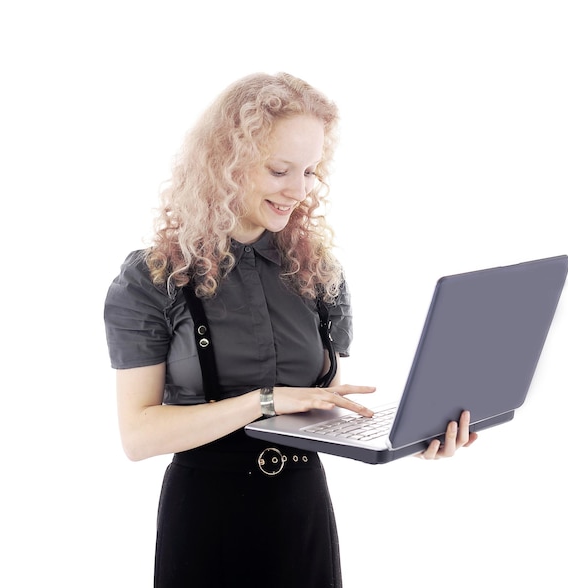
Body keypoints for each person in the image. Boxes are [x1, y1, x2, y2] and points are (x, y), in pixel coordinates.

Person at [104, 72, 477, 588]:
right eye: (280, 170)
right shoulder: (155, 277)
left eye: (309, 172)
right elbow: (138, 437)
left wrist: (413, 435)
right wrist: (265, 400)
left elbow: (318, 410)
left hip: (301, 515)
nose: (298, 191)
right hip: (207, 523)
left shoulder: (317, 271)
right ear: (225, 162)